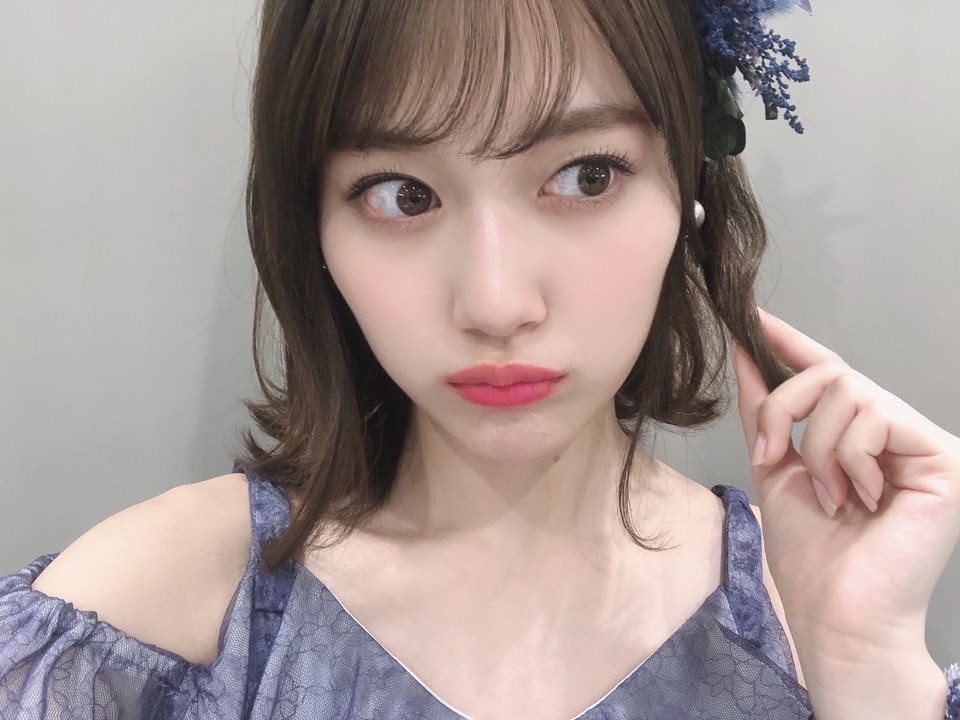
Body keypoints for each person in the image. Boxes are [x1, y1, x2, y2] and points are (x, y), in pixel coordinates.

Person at [2, 1, 959, 718]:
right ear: (314, 229)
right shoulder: (154, 609)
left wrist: (863, 669)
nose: (497, 304)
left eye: (586, 175)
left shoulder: (806, 610)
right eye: (401, 195)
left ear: (689, 195)